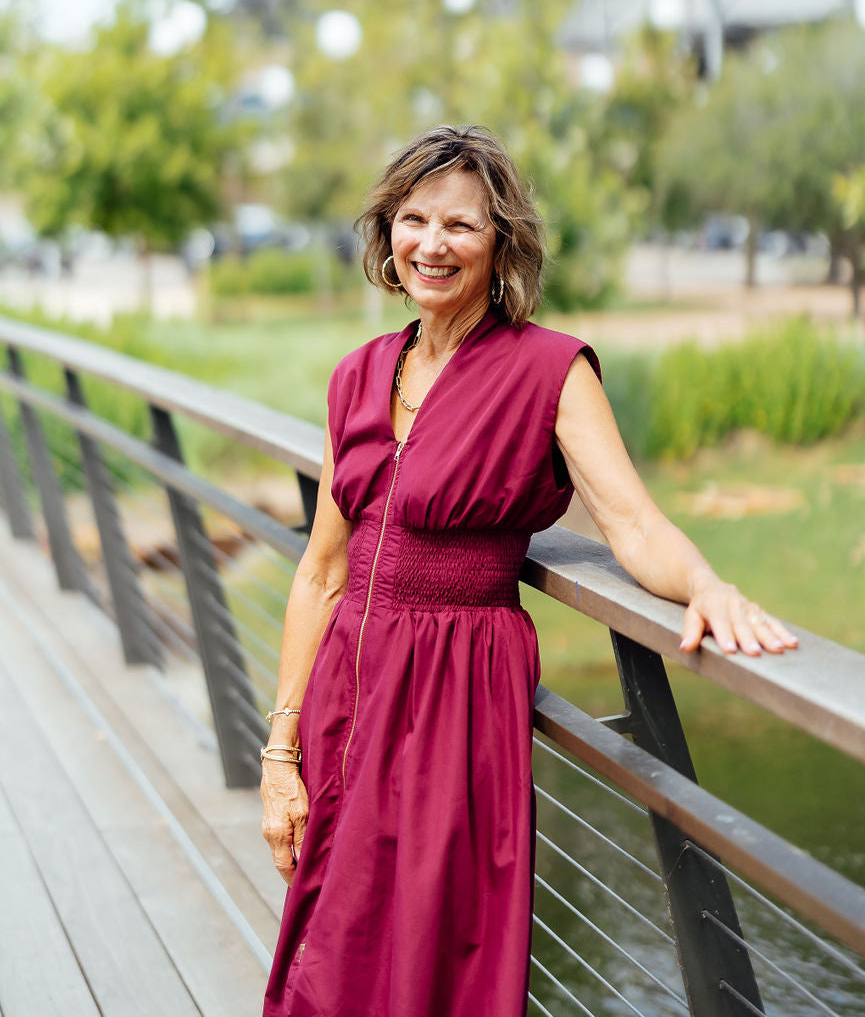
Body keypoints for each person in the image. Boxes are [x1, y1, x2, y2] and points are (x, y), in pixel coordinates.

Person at [260, 125, 796, 1017]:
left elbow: (629, 521)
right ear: (387, 232)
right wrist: (280, 752)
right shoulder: (356, 377)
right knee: (334, 955)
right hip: (345, 702)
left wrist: (706, 585)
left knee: (440, 963)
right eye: (415, 219)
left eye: (462, 226)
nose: (433, 244)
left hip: (455, 708)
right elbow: (321, 572)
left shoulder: (550, 370)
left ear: (501, 241)